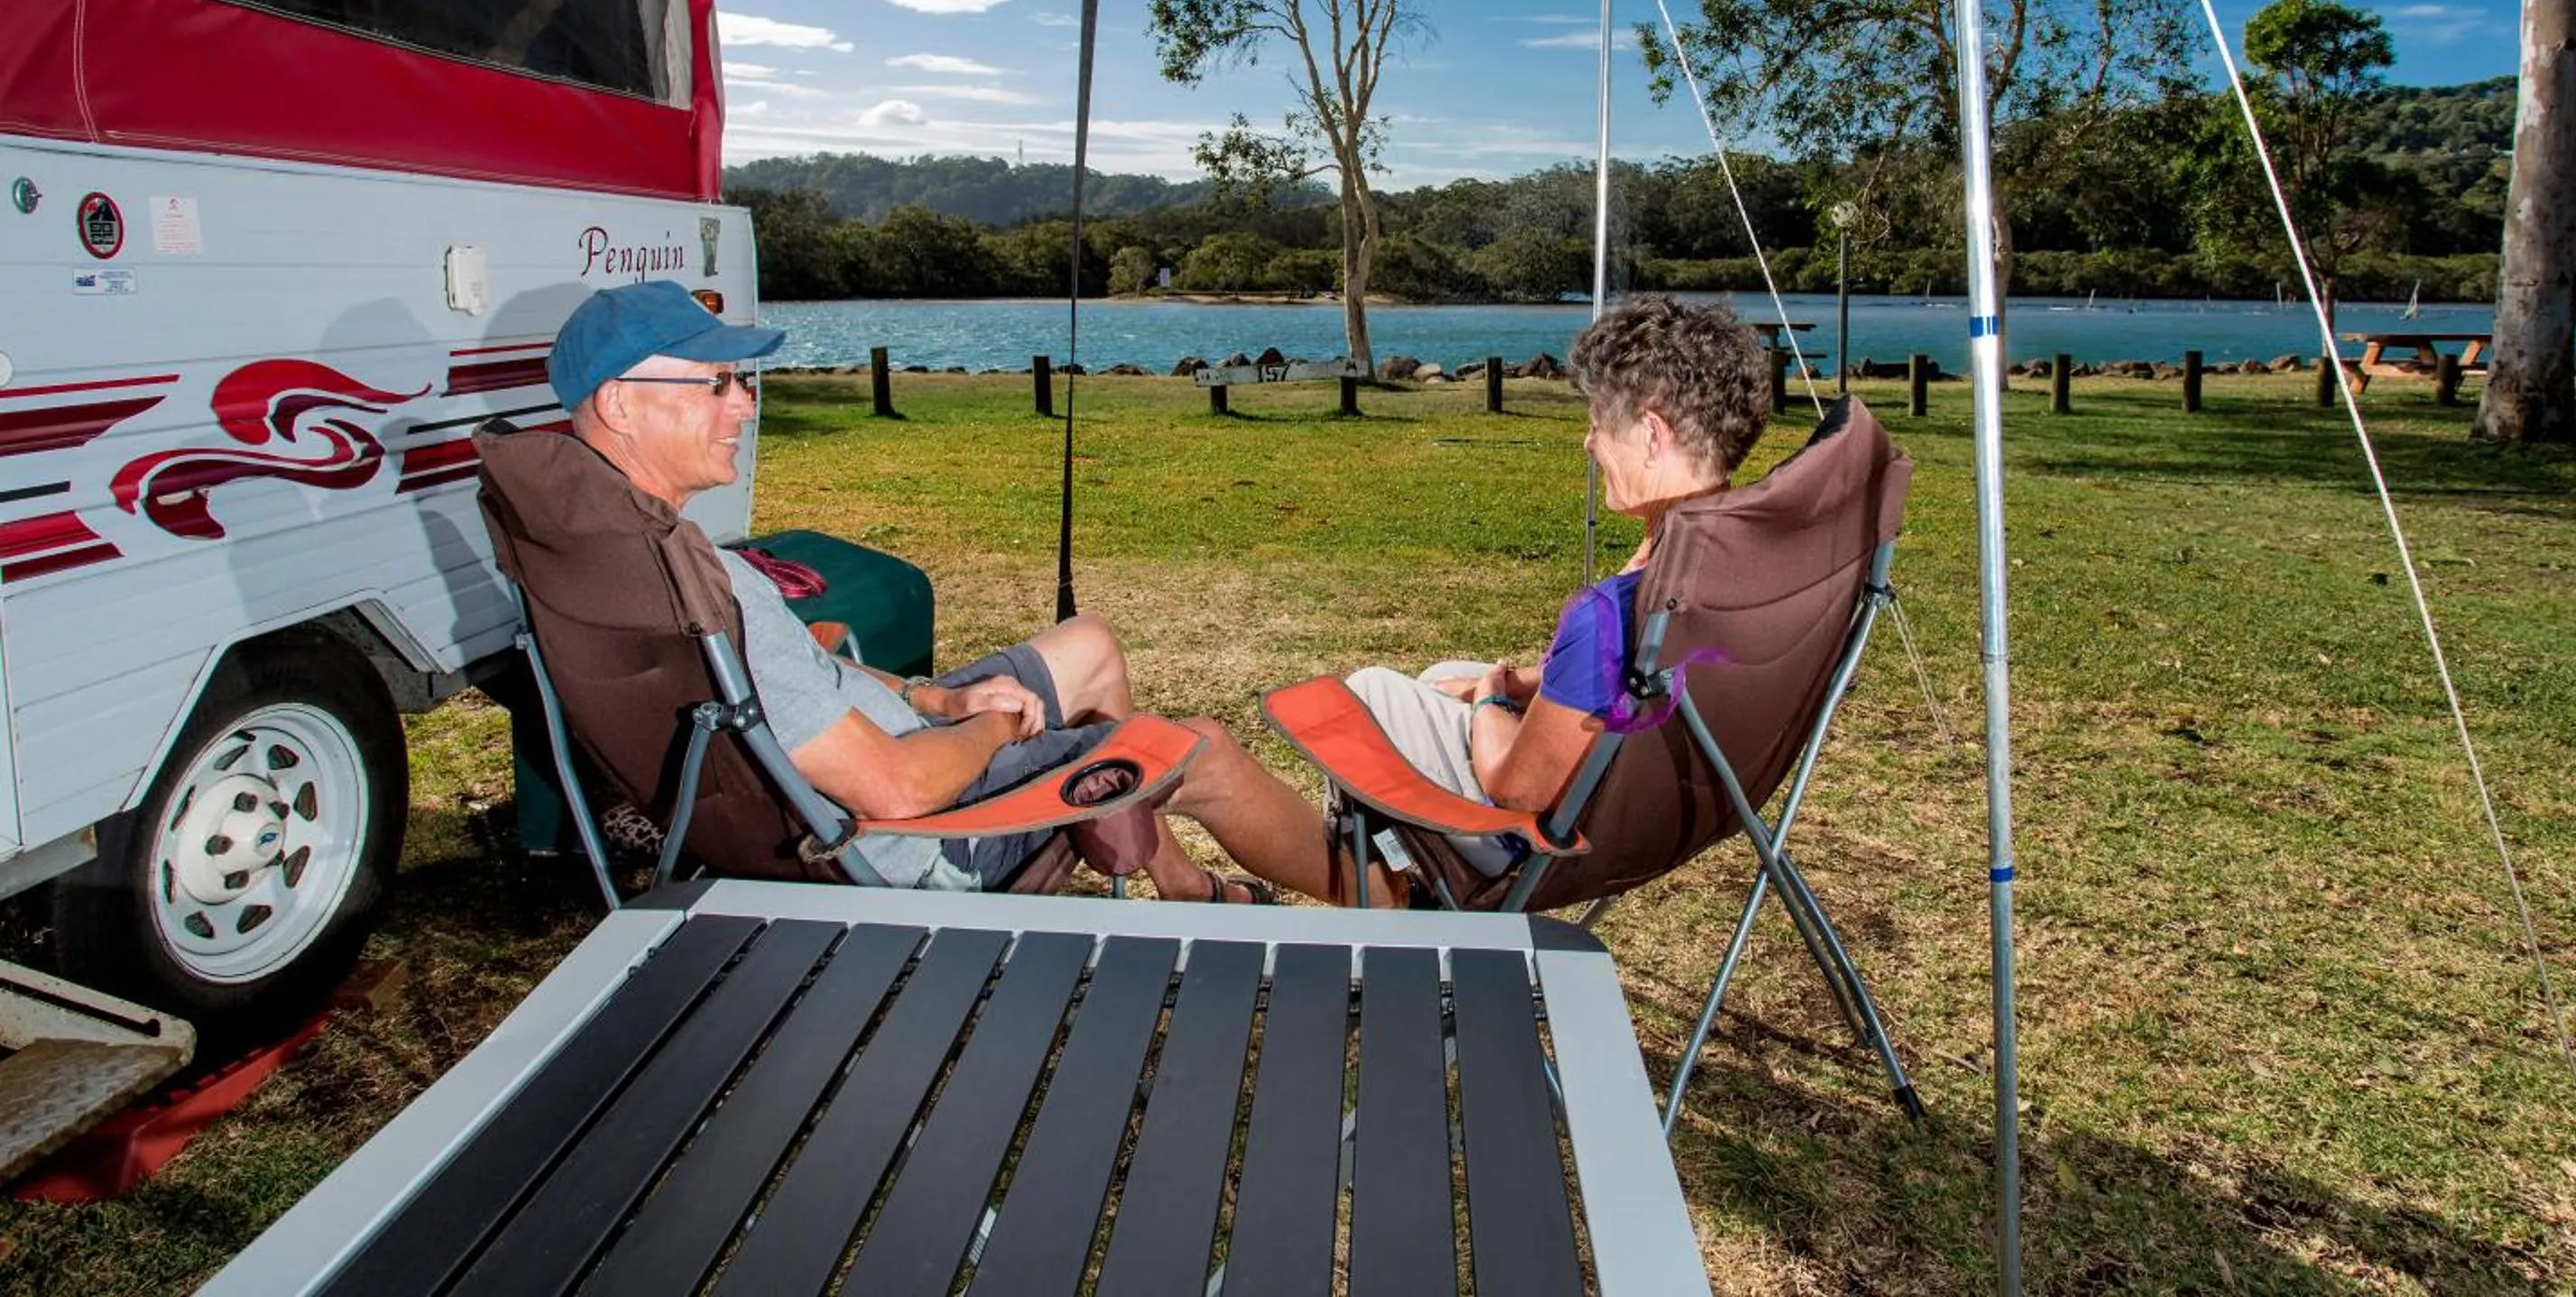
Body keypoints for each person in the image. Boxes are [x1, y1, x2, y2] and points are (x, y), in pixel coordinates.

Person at [549, 279, 1362, 903]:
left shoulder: (617, 552)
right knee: (1200, 749)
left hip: (897, 740)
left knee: (1091, 644)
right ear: (622, 403)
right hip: (931, 836)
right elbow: (895, 790)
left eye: (742, 380)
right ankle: (1393, 905)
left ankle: (1175, 877)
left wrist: (934, 699)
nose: (746, 401)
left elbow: (803, 681)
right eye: (718, 383)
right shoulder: (706, 586)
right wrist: (994, 725)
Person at [1335, 295, 1771, 875]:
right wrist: (1522, 684)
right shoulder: (1741, 551)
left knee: (1368, 694)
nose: (1589, 442)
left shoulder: (1613, 612)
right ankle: (1397, 868)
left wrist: (1492, 694)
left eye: (1598, 422)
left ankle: (1377, 888)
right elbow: (1647, 675)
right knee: (1439, 681)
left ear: (1650, 435)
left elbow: (1516, 788)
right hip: (1671, 805)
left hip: (1564, 838)